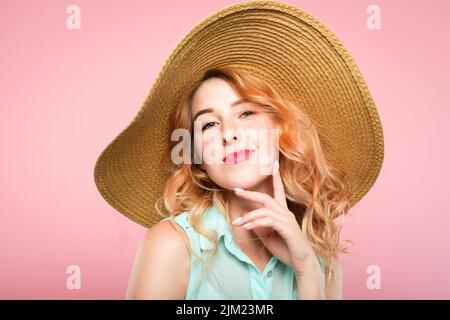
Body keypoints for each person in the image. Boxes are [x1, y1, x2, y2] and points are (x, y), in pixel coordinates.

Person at [93, 1, 384, 300]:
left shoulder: (321, 259)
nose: (229, 134)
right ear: (199, 160)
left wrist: (306, 269)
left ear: (281, 130)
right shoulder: (172, 245)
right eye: (208, 125)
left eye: (245, 114)